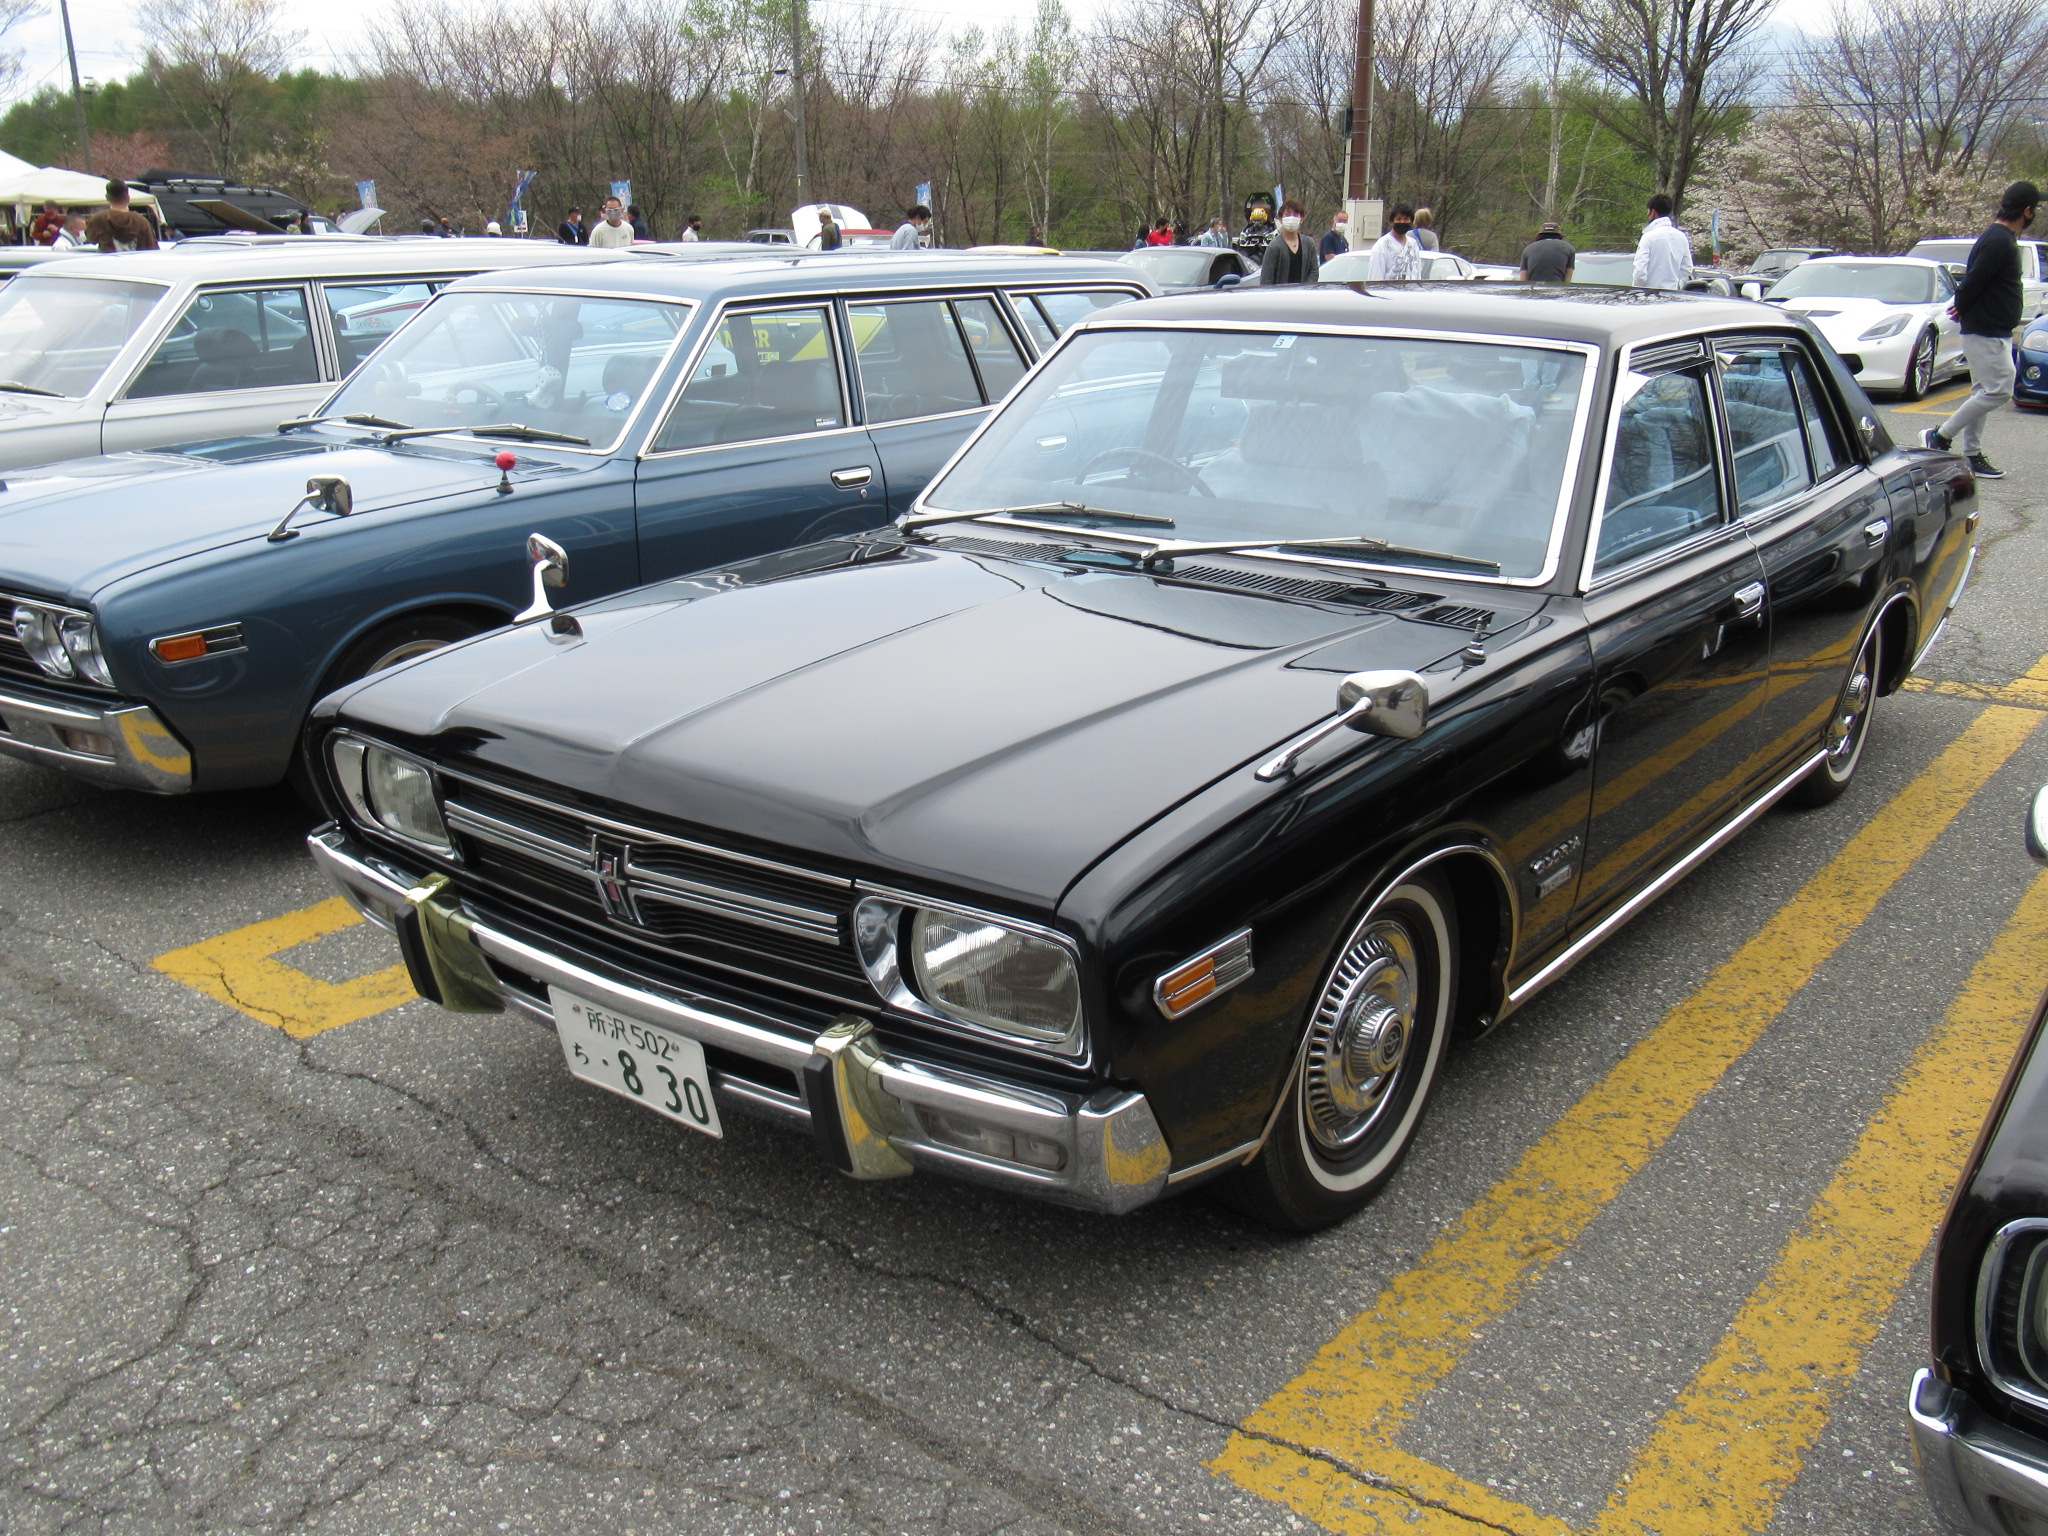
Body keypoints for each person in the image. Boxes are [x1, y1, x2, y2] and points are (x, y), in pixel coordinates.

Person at [1923, 179, 2041, 480]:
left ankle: (1972, 453)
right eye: (2035, 208)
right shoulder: (1999, 240)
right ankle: (1940, 436)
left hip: (1993, 328)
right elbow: (1975, 279)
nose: (2036, 213)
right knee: (2000, 389)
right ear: (2026, 211)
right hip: (1985, 329)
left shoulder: (2000, 238)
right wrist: (1961, 304)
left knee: (1982, 391)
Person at [1631, 193, 1691, 290]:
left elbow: (1640, 272)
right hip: (1672, 294)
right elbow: (1687, 268)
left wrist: (1638, 290)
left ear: (1653, 212)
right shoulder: (1681, 237)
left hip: (1649, 295)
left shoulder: (1648, 237)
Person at [84, 180, 158, 253]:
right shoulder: (142, 222)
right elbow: (152, 249)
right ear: (128, 198)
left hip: (107, 264)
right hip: (136, 263)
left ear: (107, 197)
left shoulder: (99, 219)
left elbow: (90, 240)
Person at [1258, 200, 1320, 286]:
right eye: (1287, 214)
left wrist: (1306, 290)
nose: (1291, 218)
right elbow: (1266, 279)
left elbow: (1314, 272)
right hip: (1280, 296)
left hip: (1304, 296)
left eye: (1295, 215)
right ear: (1280, 219)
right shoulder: (1274, 246)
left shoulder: (1309, 243)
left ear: (1301, 219)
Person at [1364, 204, 1423, 281]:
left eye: (1406, 219)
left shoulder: (1413, 244)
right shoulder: (1381, 246)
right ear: (1392, 221)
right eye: (1398, 219)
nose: (1402, 222)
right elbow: (1375, 278)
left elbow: (1417, 273)